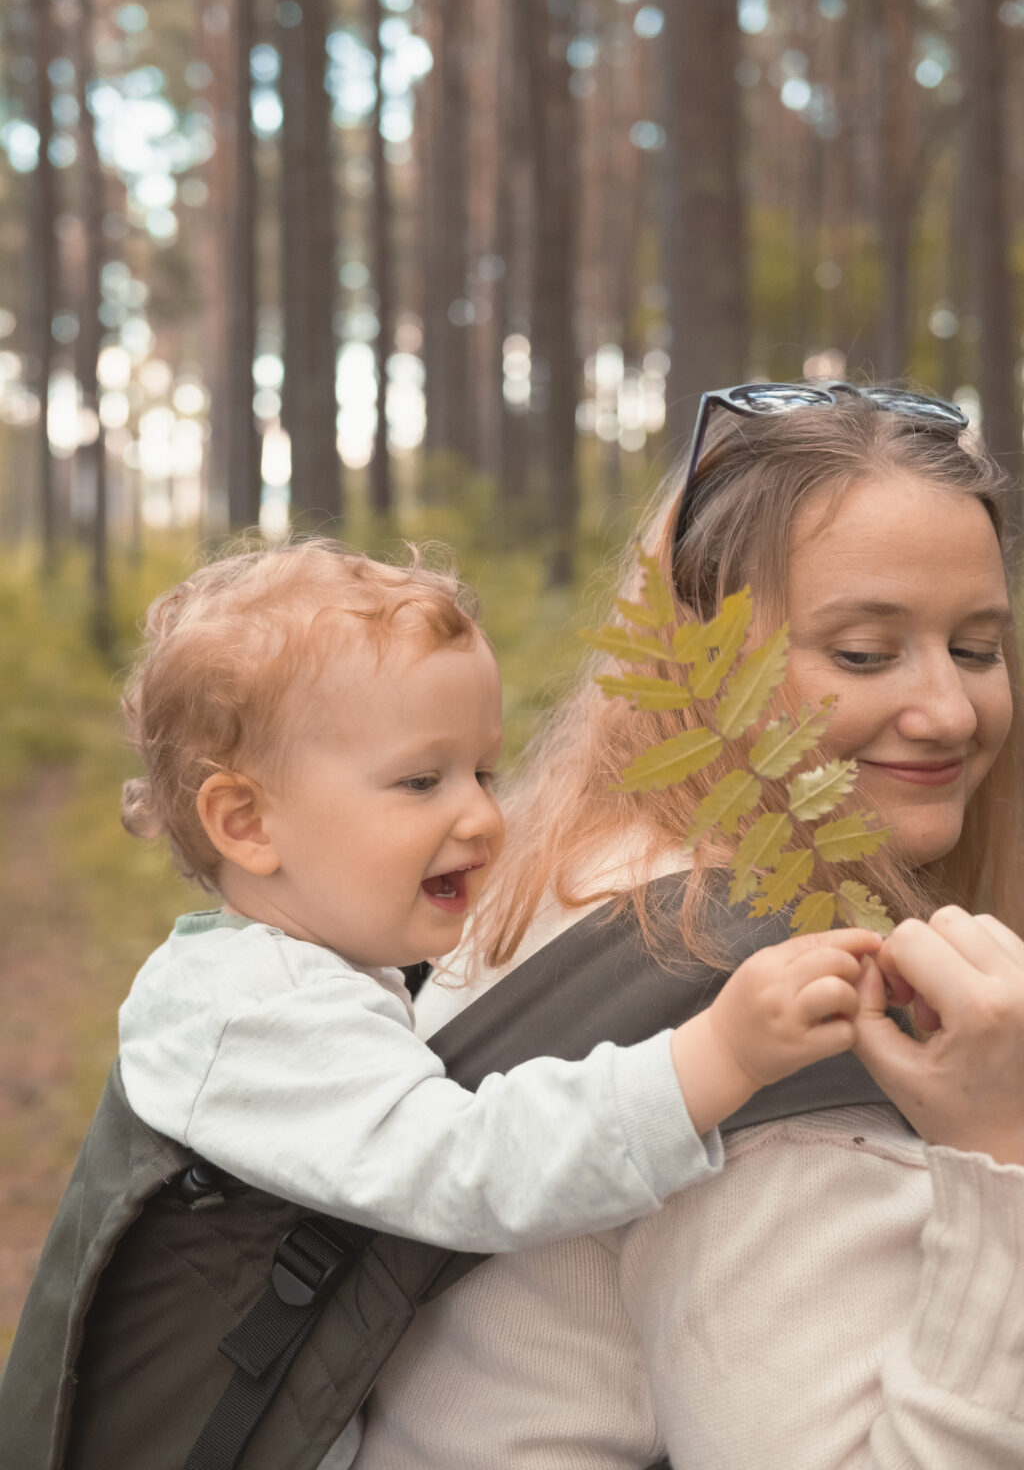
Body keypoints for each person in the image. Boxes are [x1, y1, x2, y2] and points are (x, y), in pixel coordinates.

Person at [61, 540, 879, 1467]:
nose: (485, 816)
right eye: (422, 781)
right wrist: (714, 1060)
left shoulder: (293, 971)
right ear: (247, 823)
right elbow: (467, 1168)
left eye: (484, 774)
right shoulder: (253, 1016)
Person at [351, 384, 1024, 1470]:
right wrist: (1001, 1151)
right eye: (863, 653)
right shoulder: (767, 1014)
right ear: (696, 660)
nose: (949, 711)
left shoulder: (578, 869)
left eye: (979, 648)